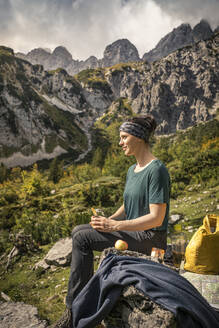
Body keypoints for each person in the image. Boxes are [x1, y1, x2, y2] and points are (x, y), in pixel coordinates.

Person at [51, 115, 171, 328]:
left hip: (150, 239)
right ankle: (84, 298)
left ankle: (74, 311)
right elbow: (128, 205)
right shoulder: (132, 170)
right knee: (80, 230)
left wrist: (114, 226)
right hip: (134, 233)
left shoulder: (157, 170)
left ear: (139, 137)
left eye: (124, 137)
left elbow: (156, 218)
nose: (120, 142)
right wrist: (110, 219)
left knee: (82, 238)